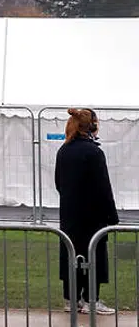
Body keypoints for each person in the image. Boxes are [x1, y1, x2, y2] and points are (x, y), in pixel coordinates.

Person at [56, 108, 119, 314]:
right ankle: (92, 299)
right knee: (94, 255)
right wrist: (112, 216)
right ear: (91, 126)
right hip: (93, 215)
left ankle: (71, 299)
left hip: (70, 214)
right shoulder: (94, 152)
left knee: (71, 254)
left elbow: (59, 183)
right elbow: (104, 187)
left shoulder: (63, 151)